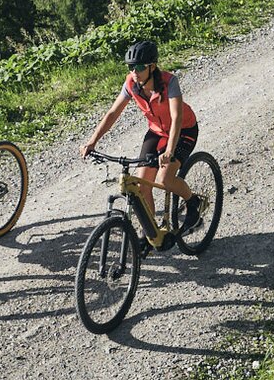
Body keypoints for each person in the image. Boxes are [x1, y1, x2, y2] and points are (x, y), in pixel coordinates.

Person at [79, 39, 203, 237]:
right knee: (140, 185)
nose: (134, 72)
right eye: (130, 67)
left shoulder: (169, 82)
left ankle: (193, 202)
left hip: (184, 130)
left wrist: (170, 151)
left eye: (138, 67)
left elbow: (176, 117)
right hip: (156, 131)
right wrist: (92, 141)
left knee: (165, 178)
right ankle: (151, 233)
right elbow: (113, 113)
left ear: (152, 67)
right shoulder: (131, 84)